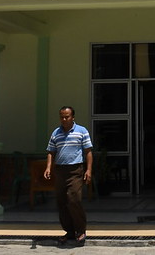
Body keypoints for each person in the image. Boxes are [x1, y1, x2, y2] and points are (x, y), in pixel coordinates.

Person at [44, 106, 93, 247]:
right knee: (62, 202)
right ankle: (70, 231)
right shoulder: (56, 133)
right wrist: (48, 167)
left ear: (73, 117)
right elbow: (51, 151)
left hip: (75, 170)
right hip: (60, 171)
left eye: (67, 116)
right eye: (62, 117)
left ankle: (81, 229)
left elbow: (88, 151)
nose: (64, 119)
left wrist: (88, 170)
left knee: (74, 199)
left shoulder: (82, 131)